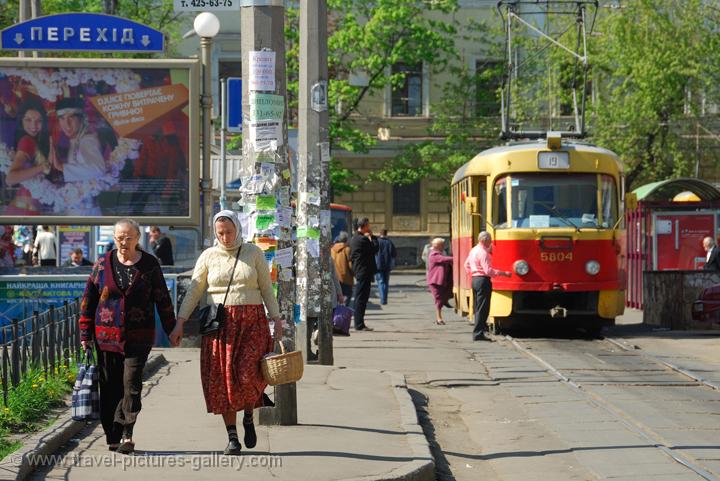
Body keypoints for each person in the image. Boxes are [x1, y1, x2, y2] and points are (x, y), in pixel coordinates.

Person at [174, 210, 282, 456]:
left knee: (249, 373)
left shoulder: (253, 252)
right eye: (220, 233)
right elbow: (193, 290)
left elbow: (266, 288)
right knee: (223, 379)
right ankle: (232, 436)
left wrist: (276, 318)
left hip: (252, 321)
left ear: (237, 229)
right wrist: (180, 321)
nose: (225, 237)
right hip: (220, 324)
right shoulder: (208, 256)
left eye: (229, 232)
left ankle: (247, 415)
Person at [78, 218, 176, 454]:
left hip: (138, 336)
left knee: (131, 384)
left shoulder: (150, 265)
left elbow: (162, 298)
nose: (124, 241)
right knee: (109, 386)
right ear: (114, 239)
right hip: (105, 337)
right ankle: (112, 434)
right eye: (119, 237)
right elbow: (88, 299)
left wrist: (172, 328)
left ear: (137, 239)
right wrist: (85, 332)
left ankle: (126, 433)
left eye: (128, 237)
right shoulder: (102, 264)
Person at [5, 99, 51, 214]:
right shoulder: (27, 141)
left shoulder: (36, 140)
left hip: (28, 208)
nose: (33, 126)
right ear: (21, 121)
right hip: (24, 211)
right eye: (28, 120)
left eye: (38, 121)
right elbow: (10, 179)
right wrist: (41, 168)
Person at [463, 231, 512, 341]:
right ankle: (478, 333)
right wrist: (504, 273)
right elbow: (488, 270)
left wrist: (473, 274)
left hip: (475, 280)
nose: (491, 242)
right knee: (483, 308)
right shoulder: (483, 253)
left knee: (477, 307)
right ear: (485, 240)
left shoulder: (474, 250)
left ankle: (479, 331)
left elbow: (466, 265)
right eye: (490, 240)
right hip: (483, 280)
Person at [52, 97, 106, 182]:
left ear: (81, 119)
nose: (67, 124)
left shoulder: (87, 140)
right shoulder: (75, 140)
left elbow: (99, 169)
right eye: (62, 118)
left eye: (71, 117)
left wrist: (60, 166)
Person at [350, 218, 379, 331]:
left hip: (361, 270)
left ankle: (360, 323)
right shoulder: (362, 239)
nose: (370, 228)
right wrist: (372, 237)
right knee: (361, 298)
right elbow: (375, 248)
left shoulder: (355, 238)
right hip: (363, 271)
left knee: (361, 297)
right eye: (368, 226)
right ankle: (359, 324)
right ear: (364, 226)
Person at [427, 238, 454, 325]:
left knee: (441, 298)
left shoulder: (439, 253)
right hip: (435, 282)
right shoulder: (433, 255)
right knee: (438, 299)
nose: (443, 246)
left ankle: (445, 301)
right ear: (436, 246)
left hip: (442, 281)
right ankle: (439, 318)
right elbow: (444, 259)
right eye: (441, 245)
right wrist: (457, 258)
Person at [331, 231, 353, 306]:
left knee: (337, 297)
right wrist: (354, 273)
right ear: (346, 240)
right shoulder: (347, 249)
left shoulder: (332, 249)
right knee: (347, 296)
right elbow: (350, 264)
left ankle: (338, 314)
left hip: (336, 276)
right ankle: (343, 314)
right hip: (346, 277)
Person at [374, 229, 397, 305]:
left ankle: (382, 299)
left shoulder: (377, 241)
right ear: (386, 234)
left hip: (378, 265)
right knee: (386, 282)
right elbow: (394, 254)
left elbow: (372, 252)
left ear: (379, 234)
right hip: (387, 265)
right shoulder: (389, 242)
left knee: (380, 282)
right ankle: (385, 299)